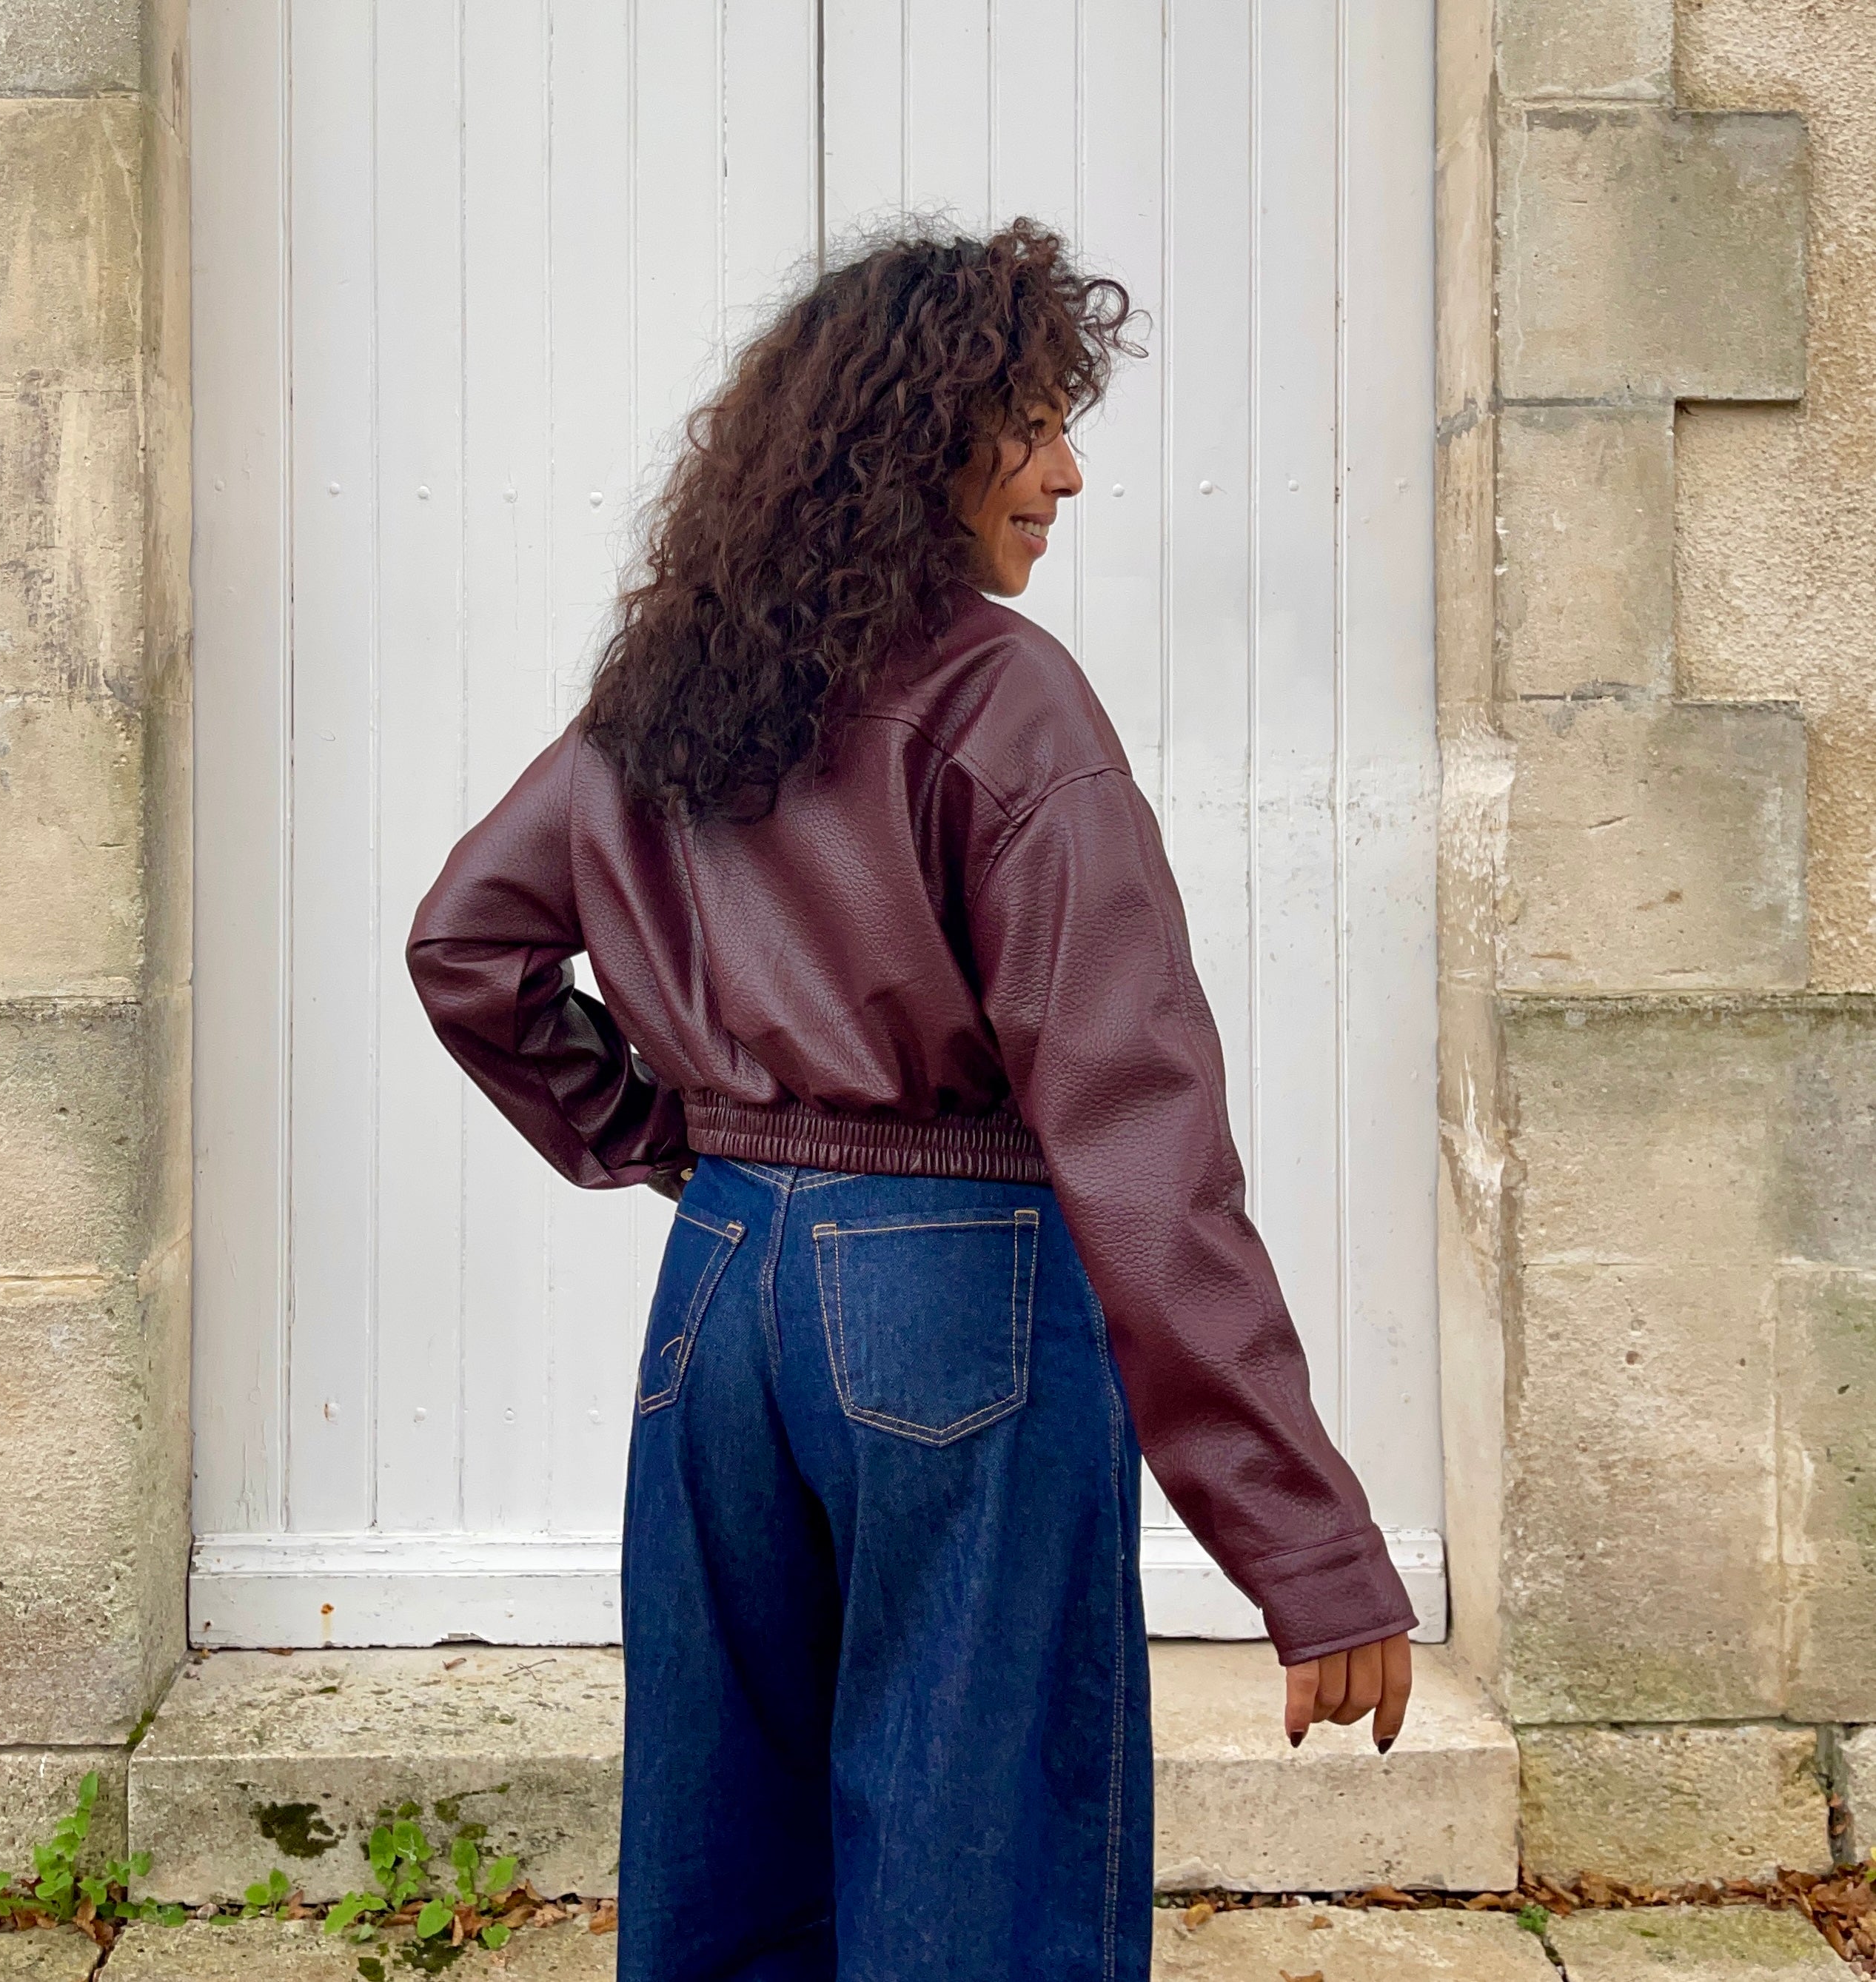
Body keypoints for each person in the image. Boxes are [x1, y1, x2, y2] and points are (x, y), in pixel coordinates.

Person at [407, 221, 1415, 1982]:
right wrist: (1308, 1544)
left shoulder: (667, 698)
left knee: (732, 1854)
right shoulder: (1001, 699)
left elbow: (465, 947)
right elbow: (1142, 1143)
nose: (1068, 471)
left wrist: (684, 1146)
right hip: (956, 1304)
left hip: (718, 1304)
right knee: (979, 1866)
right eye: (1031, 424)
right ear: (918, 437)